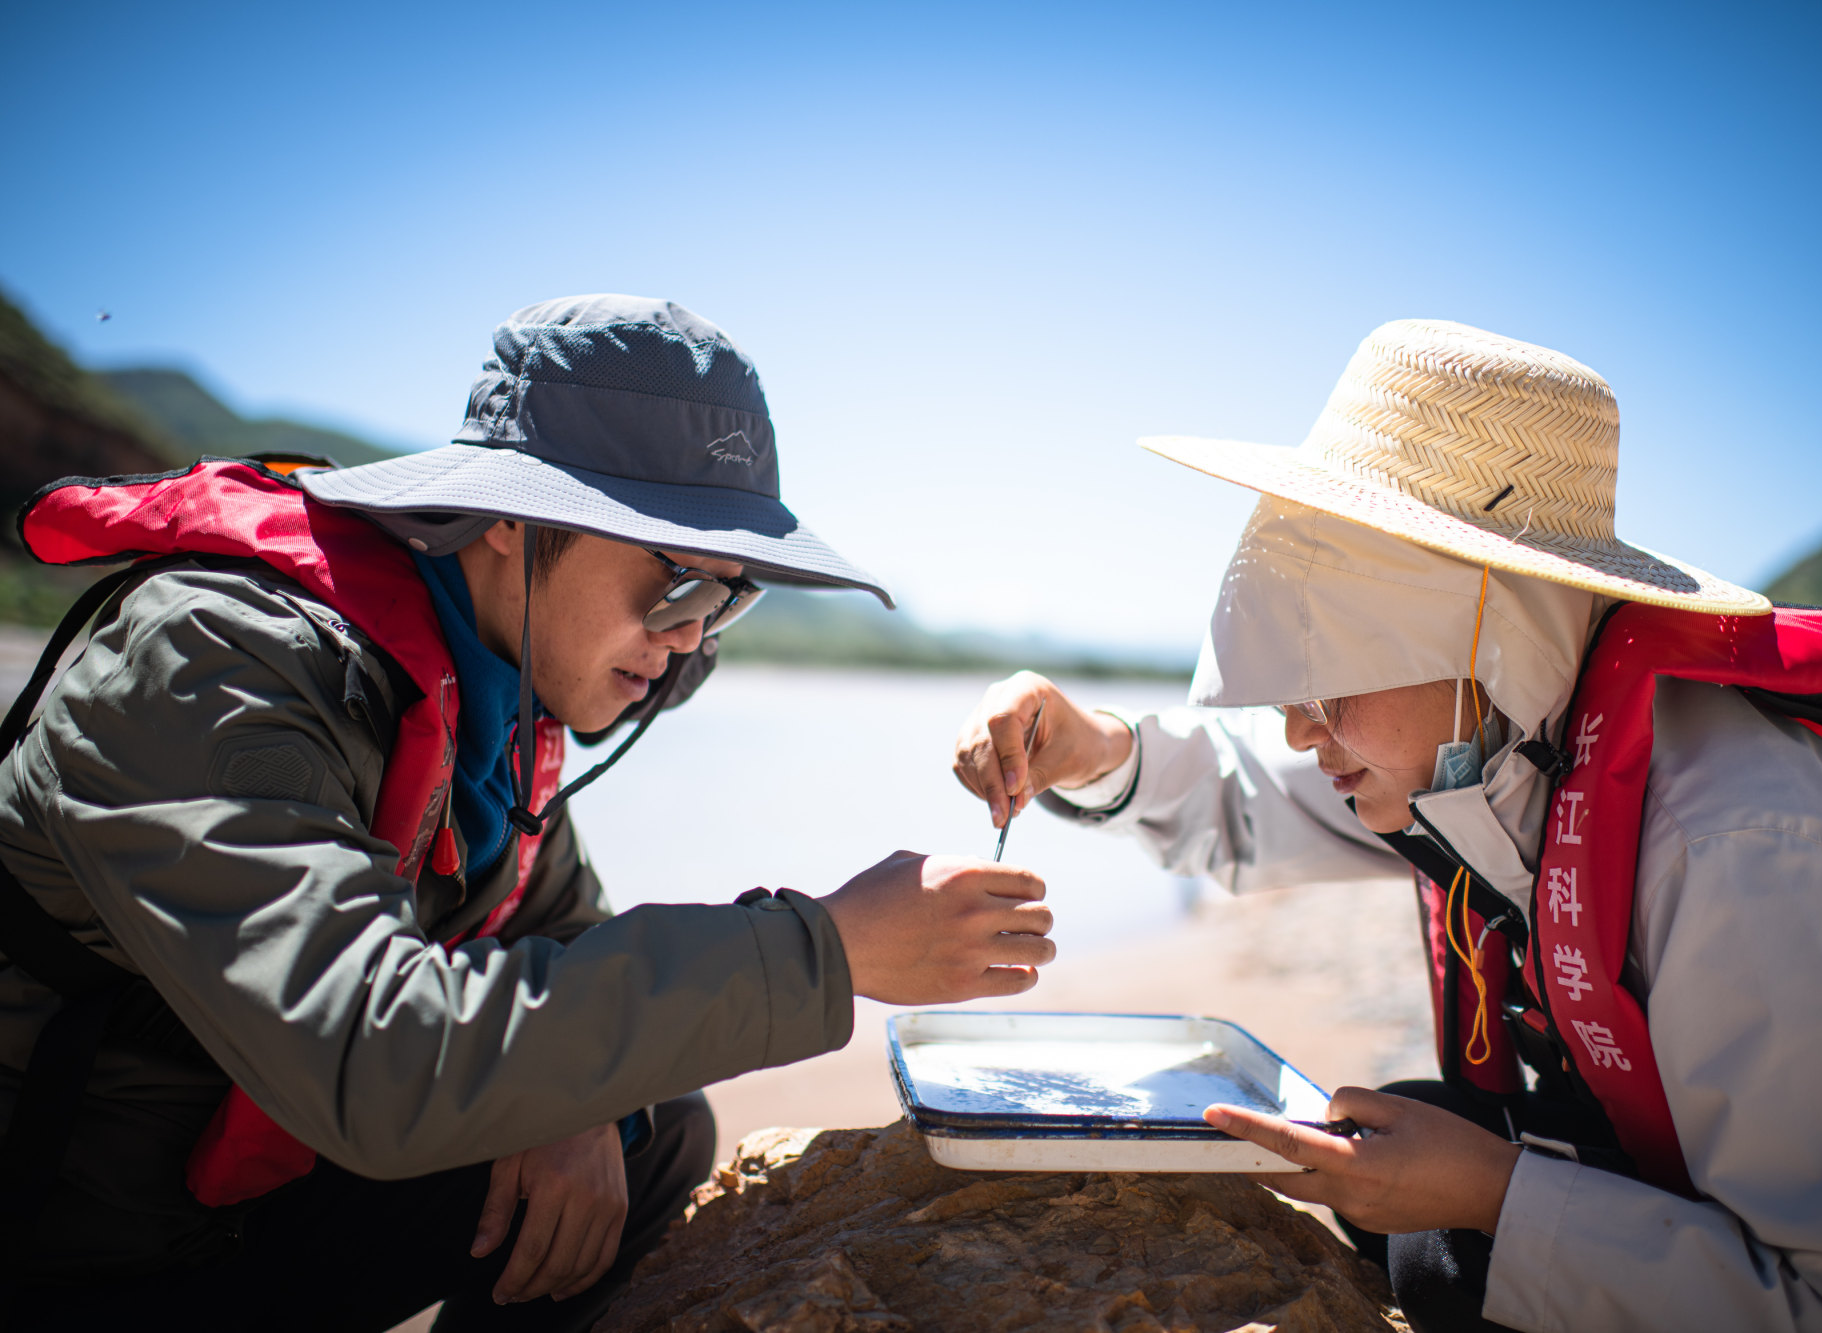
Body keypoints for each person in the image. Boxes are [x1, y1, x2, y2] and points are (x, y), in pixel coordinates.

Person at [0, 295, 1055, 1331]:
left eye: (729, 598)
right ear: (510, 517)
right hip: (63, 1249)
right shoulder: (215, 664)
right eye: (675, 580)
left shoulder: (492, 701)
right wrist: (825, 947)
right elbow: (372, 1052)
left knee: (644, 1127)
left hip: (228, 1221)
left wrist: (577, 1099)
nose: (690, 639)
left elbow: (562, 937)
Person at [952, 319, 1822, 1331]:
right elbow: (1250, 801)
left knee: (1448, 1250)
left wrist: (1499, 1192)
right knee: (1404, 1145)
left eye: (1331, 668)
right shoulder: (1499, 738)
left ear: (1491, 636)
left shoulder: (1745, 852)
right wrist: (1090, 748)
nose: (1294, 720)